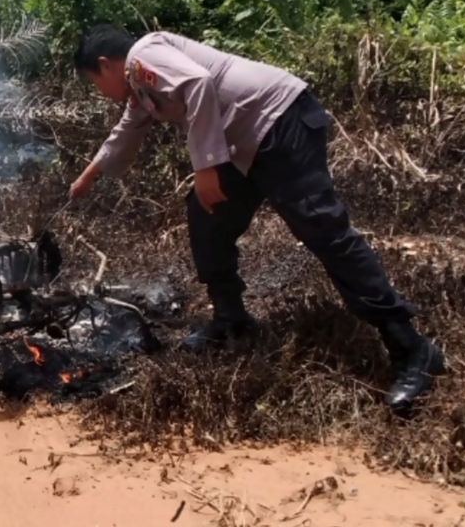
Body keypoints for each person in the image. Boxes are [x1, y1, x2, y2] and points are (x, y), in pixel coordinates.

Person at [68, 26, 446, 413]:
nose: (101, 92)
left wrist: (205, 166)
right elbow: (127, 129)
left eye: (95, 83)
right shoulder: (141, 86)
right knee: (207, 216)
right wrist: (89, 177)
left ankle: (412, 348)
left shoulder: (143, 56)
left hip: (281, 121)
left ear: (105, 65)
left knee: (322, 228)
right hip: (246, 142)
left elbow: (198, 83)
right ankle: (231, 319)